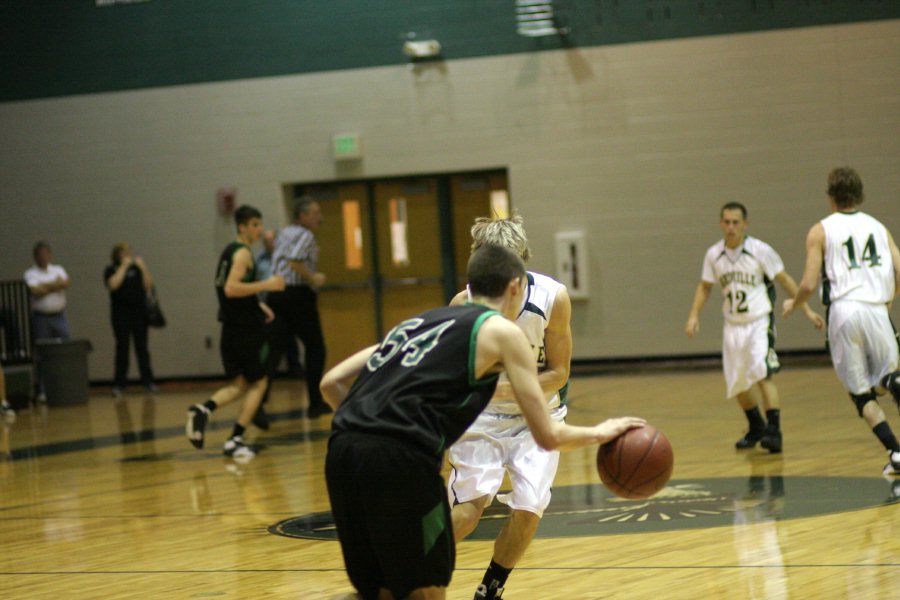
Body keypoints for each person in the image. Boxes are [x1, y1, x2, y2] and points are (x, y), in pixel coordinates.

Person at [321, 244, 645, 600]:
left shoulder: (421, 322)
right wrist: (601, 432)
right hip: (401, 456)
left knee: (379, 590)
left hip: (342, 450)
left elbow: (330, 383)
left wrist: (365, 430)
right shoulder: (502, 333)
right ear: (515, 287)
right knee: (425, 592)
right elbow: (549, 436)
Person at [445, 215, 571, 600]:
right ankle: (409, 575)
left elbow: (559, 373)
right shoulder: (464, 304)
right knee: (467, 512)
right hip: (483, 417)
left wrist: (511, 390)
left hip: (538, 414)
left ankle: (490, 589)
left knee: (530, 508)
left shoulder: (552, 298)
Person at [783, 167, 900, 476]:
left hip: (845, 311)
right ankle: (893, 383)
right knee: (888, 380)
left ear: (830, 197)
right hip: (877, 309)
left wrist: (794, 304)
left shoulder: (820, 230)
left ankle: (896, 452)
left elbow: (808, 284)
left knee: (861, 393)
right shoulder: (879, 227)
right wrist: (888, 299)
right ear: (860, 194)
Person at [685, 202, 823, 454]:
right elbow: (705, 286)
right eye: (726, 222)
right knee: (737, 383)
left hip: (759, 321)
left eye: (735, 222)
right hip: (732, 325)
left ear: (745, 224)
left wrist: (806, 309)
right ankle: (756, 426)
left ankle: (774, 431)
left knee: (762, 373)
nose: (730, 227)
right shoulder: (713, 254)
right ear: (720, 223)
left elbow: (784, 280)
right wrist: (694, 315)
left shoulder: (760, 250)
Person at [185, 205, 285, 460]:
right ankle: (235, 439)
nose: (259, 230)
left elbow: (227, 291)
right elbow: (231, 289)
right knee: (260, 383)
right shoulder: (242, 254)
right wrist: (268, 285)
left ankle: (203, 410)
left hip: (231, 328)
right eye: (254, 225)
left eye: (260, 224)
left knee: (241, 384)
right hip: (246, 331)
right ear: (242, 227)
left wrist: (257, 304)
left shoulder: (229, 251)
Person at [268, 196, 330, 418]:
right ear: (302, 216)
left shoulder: (284, 232)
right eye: (315, 213)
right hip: (297, 295)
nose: (319, 217)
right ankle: (315, 402)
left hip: (276, 294)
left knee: (275, 350)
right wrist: (313, 277)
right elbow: (295, 262)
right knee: (315, 348)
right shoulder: (306, 235)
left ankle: (259, 401)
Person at [104, 242, 158, 397]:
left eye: (128, 252)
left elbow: (149, 286)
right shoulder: (111, 270)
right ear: (116, 255)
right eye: (122, 252)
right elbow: (113, 285)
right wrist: (123, 267)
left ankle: (148, 382)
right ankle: (119, 384)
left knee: (142, 349)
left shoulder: (137, 269)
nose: (126, 255)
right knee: (122, 349)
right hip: (120, 316)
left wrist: (143, 267)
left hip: (139, 315)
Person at [24, 241, 71, 402]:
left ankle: (65, 386)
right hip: (41, 318)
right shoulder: (30, 274)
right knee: (42, 355)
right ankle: (43, 390)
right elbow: (35, 291)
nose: (44, 257)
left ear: (49, 254)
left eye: (46, 253)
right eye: (40, 254)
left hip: (59, 316)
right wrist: (54, 285)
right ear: (35, 256)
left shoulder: (58, 269)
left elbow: (66, 283)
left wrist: (46, 286)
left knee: (64, 351)